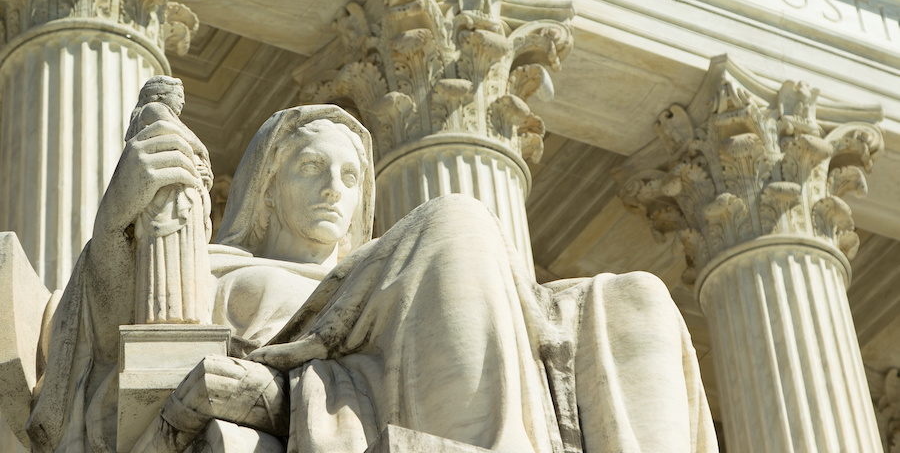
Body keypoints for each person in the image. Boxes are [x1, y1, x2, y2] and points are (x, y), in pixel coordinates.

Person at [26, 104, 717, 453]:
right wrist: (118, 225)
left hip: (363, 382)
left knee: (637, 300)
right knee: (456, 219)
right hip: (338, 383)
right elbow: (87, 359)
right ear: (265, 188)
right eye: (310, 168)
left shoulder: (386, 274)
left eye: (352, 175)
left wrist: (286, 398)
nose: (335, 188)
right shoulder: (212, 266)